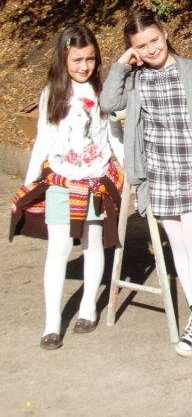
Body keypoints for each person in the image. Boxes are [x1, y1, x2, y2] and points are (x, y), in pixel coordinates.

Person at [101, 10, 192, 358]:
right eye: (140, 45)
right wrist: (122, 64)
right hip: (159, 172)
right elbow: (108, 103)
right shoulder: (135, 81)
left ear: (165, 33)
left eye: (154, 40)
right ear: (132, 50)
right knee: (177, 244)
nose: (150, 49)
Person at [10, 24, 124, 350]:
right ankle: (51, 322)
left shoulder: (104, 92)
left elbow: (113, 136)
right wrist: (29, 182)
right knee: (58, 247)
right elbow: (43, 140)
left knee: (92, 241)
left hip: (95, 180)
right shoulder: (52, 93)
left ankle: (88, 307)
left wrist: (130, 167)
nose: (84, 66)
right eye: (76, 60)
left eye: (89, 59)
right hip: (61, 181)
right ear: (64, 60)